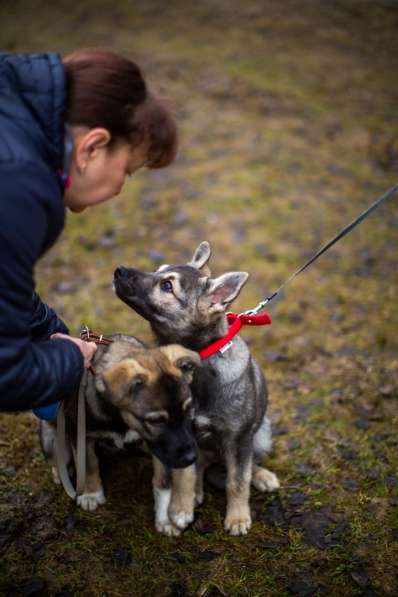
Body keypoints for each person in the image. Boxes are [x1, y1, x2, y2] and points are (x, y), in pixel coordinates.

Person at [0, 48, 177, 418]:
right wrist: (69, 357)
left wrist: (46, 329)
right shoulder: (18, 191)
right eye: (127, 171)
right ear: (92, 147)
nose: (118, 189)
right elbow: (6, 374)